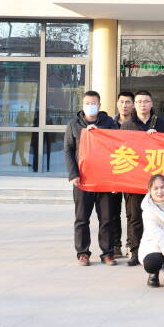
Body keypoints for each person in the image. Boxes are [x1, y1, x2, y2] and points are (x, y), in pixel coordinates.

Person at [64, 90, 118, 266]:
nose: (90, 106)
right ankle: (83, 253)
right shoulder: (74, 124)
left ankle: (107, 253)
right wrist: (73, 174)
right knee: (81, 218)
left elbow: (117, 146)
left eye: (94, 103)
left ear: (99, 105)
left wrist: (99, 133)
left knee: (107, 218)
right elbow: (68, 150)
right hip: (83, 179)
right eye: (87, 103)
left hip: (104, 179)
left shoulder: (109, 123)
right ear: (82, 105)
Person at [121, 90, 164, 266]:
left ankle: (162, 252)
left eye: (146, 101)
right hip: (135, 179)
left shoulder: (163, 124)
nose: (142, 104)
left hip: (157, 180)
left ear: (152, 104)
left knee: (161, 217)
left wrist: (157, 139)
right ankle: (135, 252)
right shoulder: (127, 125)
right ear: (134, 105)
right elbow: (122, 150)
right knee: (134, 216)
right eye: (139, 102)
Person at [107, 90, 135, 258]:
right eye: (121, 102)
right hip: (114, 172)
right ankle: (115, 244)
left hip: (132, 174)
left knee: (132, 212)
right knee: (113, 211)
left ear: (133, 105)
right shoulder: (108, 124)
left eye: (128, 102)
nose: (124, 105)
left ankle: (131, 244)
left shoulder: (137, 124)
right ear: (117, 104)